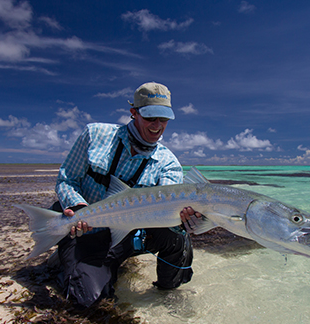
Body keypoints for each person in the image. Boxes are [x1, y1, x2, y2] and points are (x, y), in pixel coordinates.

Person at [52, 82, 202, 308]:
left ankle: (164, 294)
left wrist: (187, 219)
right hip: (86, 231)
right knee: (91, 301)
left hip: (129, 232)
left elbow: (170, 211)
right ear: (134, 113)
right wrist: (78, 207)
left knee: (178, 238)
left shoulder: (169, 163)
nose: (157, 126)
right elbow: (67, 179)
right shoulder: (95, 135)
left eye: (163, 119)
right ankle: (68, 261)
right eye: (151, 118)